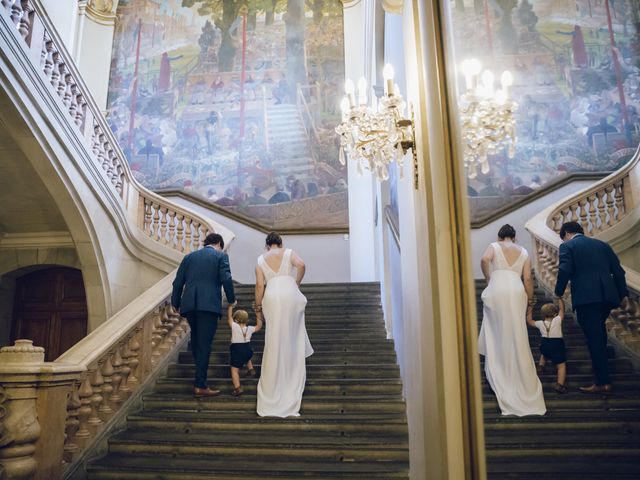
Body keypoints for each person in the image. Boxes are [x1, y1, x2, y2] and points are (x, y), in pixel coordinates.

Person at [478, 224, 546, 416]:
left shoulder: (494, 245)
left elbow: (484, 259)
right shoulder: (523, 251)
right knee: (517, 332)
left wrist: (488, 277)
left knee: (497, 330)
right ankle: (520, 376)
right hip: (516, 291)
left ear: (500, 237)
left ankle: (498, 368)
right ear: (514, 237)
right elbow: (528, 278)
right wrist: (530, 300)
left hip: (497, 289)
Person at [554, 221, 628, 394]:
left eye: (563, 238)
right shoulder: (602, 245)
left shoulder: (568, 246)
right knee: (598, 336)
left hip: (587, 299)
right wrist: (622, 295)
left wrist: (558, 292)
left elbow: (564, 269)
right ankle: (603, 379)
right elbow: (619, 271)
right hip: (607, 298)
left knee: (595, 339)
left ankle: (603, 382)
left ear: (566, 233)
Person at [255, 232, 314, 417]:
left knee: (273, 339)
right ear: (280, 243)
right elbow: (302, 265)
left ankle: (272, 388)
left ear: (267, 246)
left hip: (271, 296)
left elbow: (259, 286)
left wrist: (258, 309)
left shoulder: (260, 259)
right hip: (289, 294)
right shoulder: (288, 252)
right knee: (291, 337)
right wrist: (296, 281)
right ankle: (290, 379)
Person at [171, 233, 236, 397]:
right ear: (219, 244)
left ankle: (199, 377)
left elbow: (178, 282)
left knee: (198, 341)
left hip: (190, 305)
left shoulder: (189, 257)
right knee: (204, 344)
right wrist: (231, 299)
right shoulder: (221, 256)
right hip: (208, 306)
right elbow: (226, 279)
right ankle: (200, 385)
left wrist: (175, 303)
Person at [528, 299, 568, 394]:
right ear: (555, 314)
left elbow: (529, 321)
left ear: (543, 315)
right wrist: (560, 299)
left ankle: (541, 364)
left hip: (545, 345)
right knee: (561, 366)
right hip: (557, 345)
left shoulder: (540, 323)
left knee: (544, 351)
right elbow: (562, 310)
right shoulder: (557, 320)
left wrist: (530, 308)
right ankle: (559, 385)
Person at [226, 305, 262, 397]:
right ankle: (251, 369)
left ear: (236, 320)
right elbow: (259, 326)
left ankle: (238, 388)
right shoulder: (250, 328)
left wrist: (230, 307)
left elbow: (229, 317)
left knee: (234, 370)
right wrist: (258, 313)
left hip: (237, 350)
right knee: (246, 356)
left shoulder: (234, 326)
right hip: (248, 350)